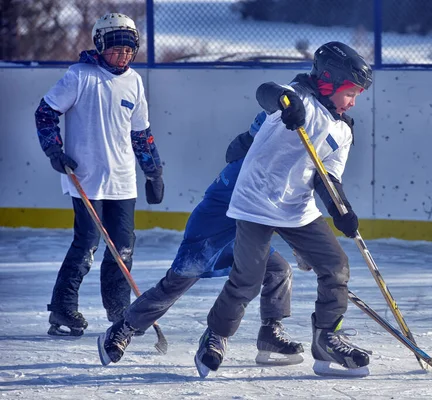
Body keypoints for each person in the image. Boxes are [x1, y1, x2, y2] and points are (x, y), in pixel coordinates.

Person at [196, 42, 374, 378]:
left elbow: (328, 177)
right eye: (351, 92)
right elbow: (267, 92)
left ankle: (326, 340)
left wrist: (342, 210)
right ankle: (216, 335)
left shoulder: (343, 130)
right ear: (330, 81)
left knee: (336, 267)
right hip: (256, 203)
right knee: (248, 280)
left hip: (297, 209)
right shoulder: (297, 97)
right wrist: (284, 104)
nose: (353, 101)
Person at [97, 112, 305, 369]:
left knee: (278, 270)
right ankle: (123, 328)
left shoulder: (271, 161)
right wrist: (304, 249)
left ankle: (269, 334)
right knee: (176, 284)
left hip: (243, 232)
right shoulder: (250, 167)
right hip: (209, 234)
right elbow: (274, 211)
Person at [35, 13, 164, 336]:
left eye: (128, 50)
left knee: (123, 248)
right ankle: (63, 309)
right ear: (100, 45)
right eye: (115, 49)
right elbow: (46, 113)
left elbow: (141, 134)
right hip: (85, 178)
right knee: (87, 244)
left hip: (123, 180)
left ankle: (119, 309)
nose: (122, 55)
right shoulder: (79, 76)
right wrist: (54, 150)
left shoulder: (134, 81)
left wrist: (153, 171)